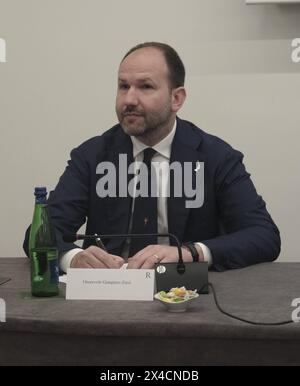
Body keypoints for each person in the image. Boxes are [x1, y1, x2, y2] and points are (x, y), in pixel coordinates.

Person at [23, 42, 280, 272]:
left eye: (145, 87)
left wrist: (190, 253)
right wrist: (74, 258)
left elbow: (264, 235)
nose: (129, 99)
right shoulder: (92, 156)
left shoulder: (215, 157)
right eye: (123, 86)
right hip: (106, 298)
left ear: (176, 98)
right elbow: (40, 235)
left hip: (184, 295)